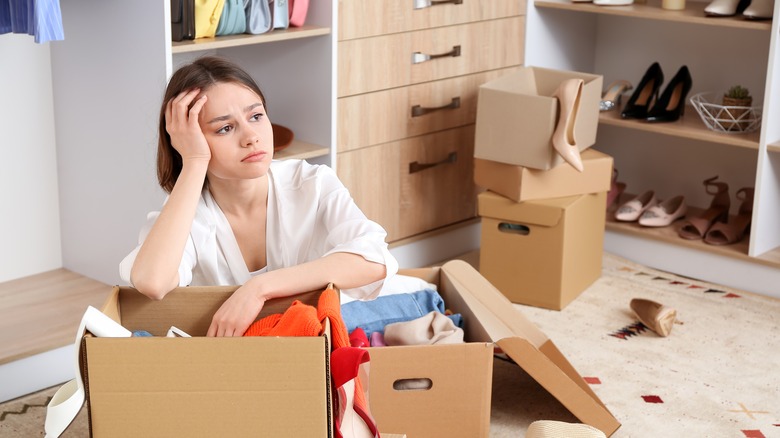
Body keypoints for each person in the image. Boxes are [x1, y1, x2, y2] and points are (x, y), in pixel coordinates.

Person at [119, 56, 398, 337]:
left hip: (310, 344)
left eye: (255, 116)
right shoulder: (187, 212)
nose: (251, 136)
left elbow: (375, 259)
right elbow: (152, 282)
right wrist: (193, 161)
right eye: (224, 128)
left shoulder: (311, 183)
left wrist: (259, 289)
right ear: (188, 140)